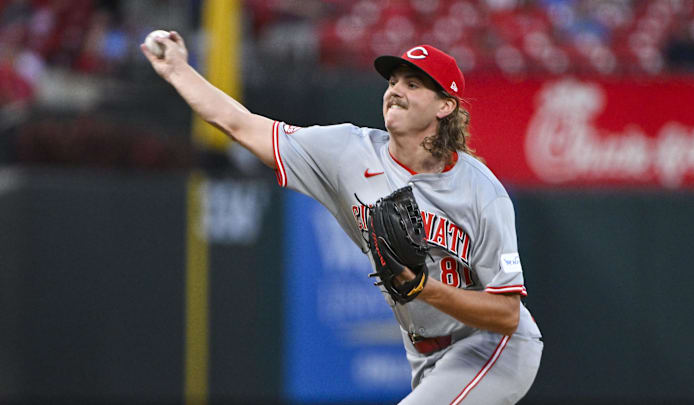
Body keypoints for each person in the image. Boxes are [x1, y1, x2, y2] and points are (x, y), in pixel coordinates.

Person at [142, 32, 543, 404]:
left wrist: (425, 288)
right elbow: (240, 124)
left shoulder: (481, 192)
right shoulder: (348, 153)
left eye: (413, 84)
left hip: (493, 346)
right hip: (423, 351)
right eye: (393, 83)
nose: (395, 91)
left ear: (445, 105)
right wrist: (178, 69)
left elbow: (507, 315)